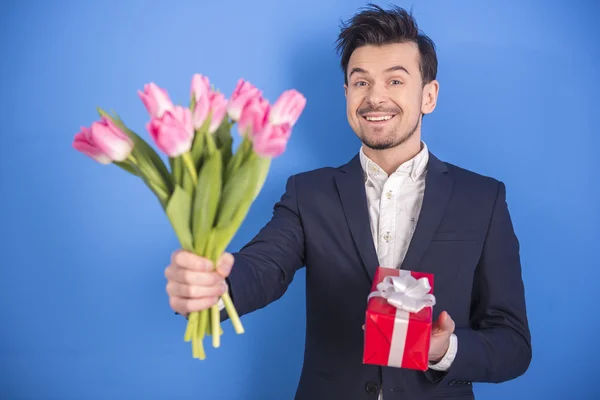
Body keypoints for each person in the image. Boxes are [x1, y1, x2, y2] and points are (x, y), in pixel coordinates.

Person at [164, 4, 532, 399]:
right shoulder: (309, 193)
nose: (375, 98)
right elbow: (264, 266)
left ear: (429, 95)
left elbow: (512, 344)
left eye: (395, 81)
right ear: (346, 94)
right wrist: (215, 287)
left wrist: (443, 349)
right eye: (361, 82)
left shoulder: (482, 198)